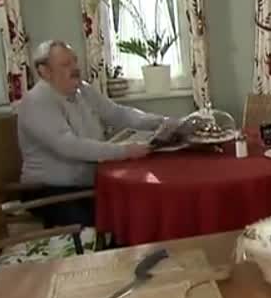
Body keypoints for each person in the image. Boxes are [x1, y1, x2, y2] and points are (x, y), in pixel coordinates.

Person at [17, 40, 168, 227]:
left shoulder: (83, 89)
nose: (75, 68)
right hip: (50, 191)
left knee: (138, 207)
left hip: (88, 185)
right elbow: (69, 146)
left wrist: (162, 122)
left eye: (75, 61)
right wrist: (125, 151)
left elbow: (118, 114)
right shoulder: (37, 101)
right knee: (115, 221)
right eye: (66, 64)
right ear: (44, 71)